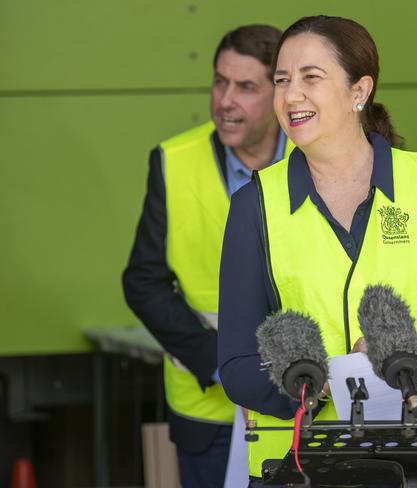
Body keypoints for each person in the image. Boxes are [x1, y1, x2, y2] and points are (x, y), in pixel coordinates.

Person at [217, 15, 417, 483]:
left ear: (359, 91)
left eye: (311, 78)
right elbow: (239, 365)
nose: (290, 96)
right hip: (295, 465)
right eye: (282, 80)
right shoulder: (254, 205)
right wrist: (329, 379)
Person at [122, 24, 293, 488]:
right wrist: (220, 365)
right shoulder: (174, 160)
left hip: (309, 406)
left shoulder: (316, 157)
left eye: (245, 87)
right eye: (220, 82)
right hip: (209, 412)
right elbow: (143, 281)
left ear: (280, 94)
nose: (225, 100)